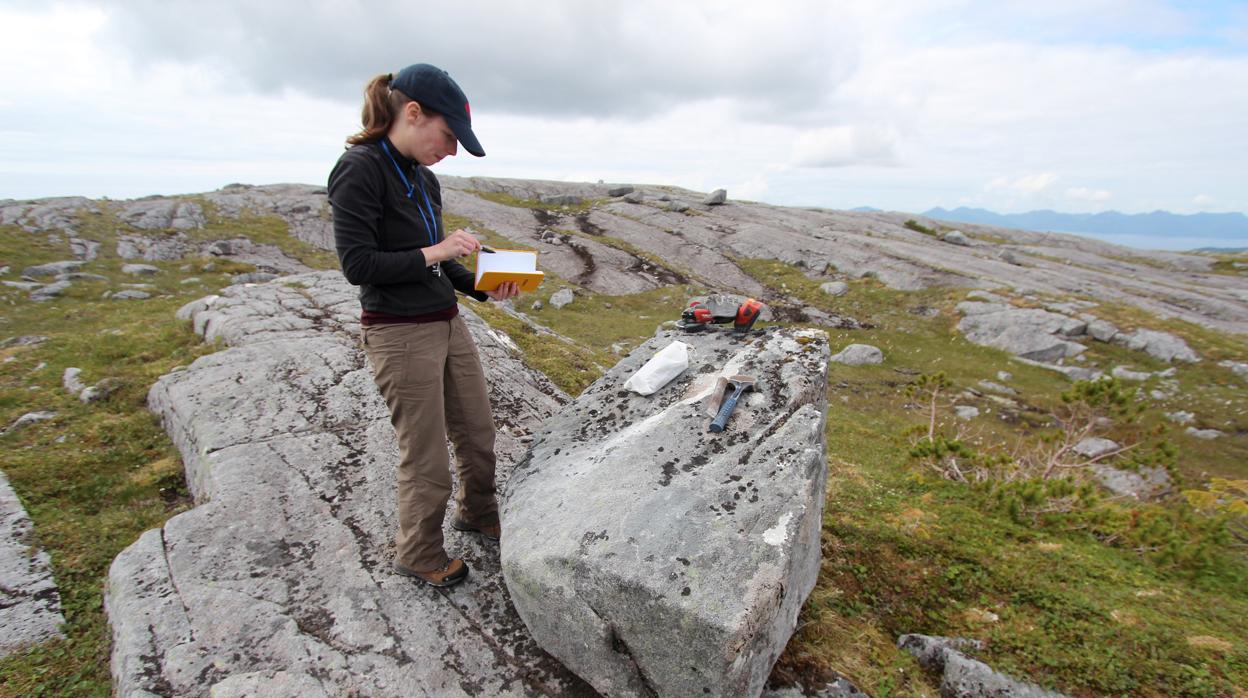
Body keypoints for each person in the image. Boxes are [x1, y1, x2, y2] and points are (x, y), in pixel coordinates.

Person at [328, 63, 521, 588]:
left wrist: (486, 285)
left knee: (478, 434)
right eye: (449, 135)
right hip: (399, 332)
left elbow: (439, 265)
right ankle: (418, 552)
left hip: (447, 322)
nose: (452, 150)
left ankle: (478, 513)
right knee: (427, 454)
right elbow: (358, 265)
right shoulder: (359, 168)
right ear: (413, 113)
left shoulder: (423, 177)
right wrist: (436, 248)